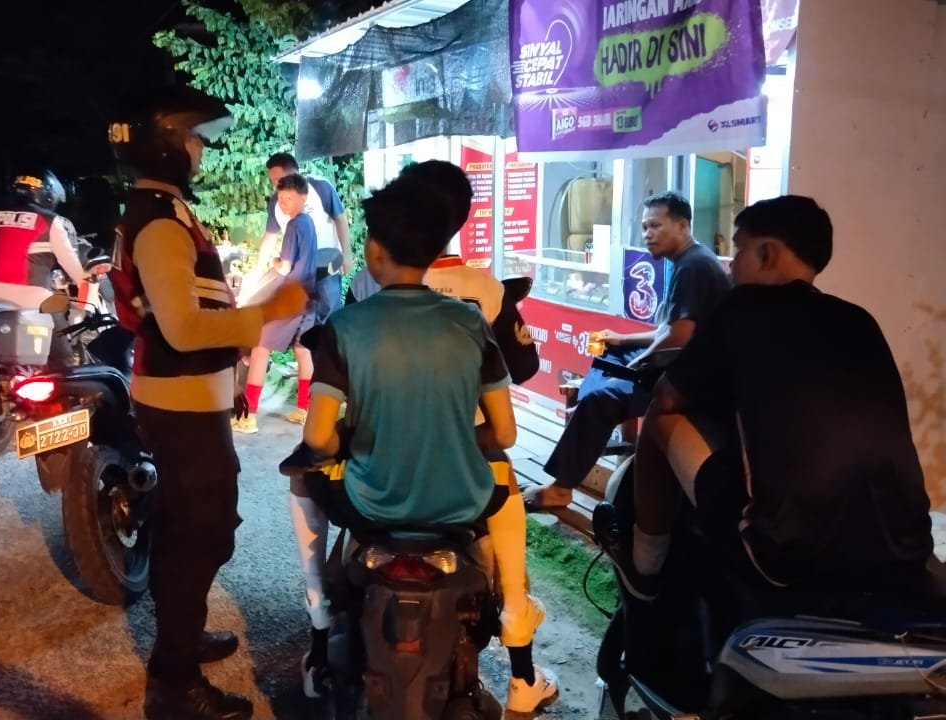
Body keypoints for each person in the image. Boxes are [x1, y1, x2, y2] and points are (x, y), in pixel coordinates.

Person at [297, 165, 559, 714]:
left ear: (374, 251)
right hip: (461, 500)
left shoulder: (347, 322)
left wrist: (351, 439)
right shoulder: (472, 320)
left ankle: (318, 616)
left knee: (300, 477)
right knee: (505, 484)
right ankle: (517, 629)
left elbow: (318, 435)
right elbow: (505, 432)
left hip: (371, 502)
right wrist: (453, 437)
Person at [593, 195, 935, 603]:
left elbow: (669, 397)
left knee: (660, 418)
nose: (731, 265)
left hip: (786, 555)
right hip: (904, 546)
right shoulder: (859, 319)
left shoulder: (743, 307)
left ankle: (645, 564)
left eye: (739, 250)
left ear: (768, 254)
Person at [106, 84, 309, 720]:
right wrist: (265, 314)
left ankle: (183, 635)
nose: (199, 149)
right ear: (166, 144)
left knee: (185, 526)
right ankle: (174, 682)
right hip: (181, 402)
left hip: (185, 398)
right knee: (202, 533)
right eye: (193, 137)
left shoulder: (159, 211)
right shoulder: (160, 223)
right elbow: (184, 328)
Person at [523, 192, 731, 511]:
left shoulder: (694, 267)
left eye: (656, 226)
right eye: (645, 227)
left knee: (600, 399)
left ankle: (561, 488)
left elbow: (679, 336)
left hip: (684, 381)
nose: (647, 234)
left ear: (682, 226)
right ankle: (581, 410)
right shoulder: (691, 261)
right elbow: (666, 331)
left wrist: (640, 361)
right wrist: (622, 340)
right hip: (674, 365)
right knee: (610, 353)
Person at [0, 169, 90, 370]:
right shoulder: (51, 221)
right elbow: (72, 267)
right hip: (34, 299)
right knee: (62, 353)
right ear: (47, 195)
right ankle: (60, 372)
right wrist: (86, 288)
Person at [235, 173, 318, 432]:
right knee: (303, 350)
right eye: (280, 199)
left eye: (288, 199)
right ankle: (304, 409)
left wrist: (272, 263)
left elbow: (285, 267)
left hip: (288, 296)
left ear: (303, 198)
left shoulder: (293, 226)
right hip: (308, 295)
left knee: (260, 349)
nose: (283, 204)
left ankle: (248, 416)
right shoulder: (309, 223)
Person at [264, 152, 352, 324]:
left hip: (327, 268)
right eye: (272, 181)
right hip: (300, 277)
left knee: (332, 319)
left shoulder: (320, 187)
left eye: (278, 179)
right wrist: (259, 270)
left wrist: (347, 255)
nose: (276, 185)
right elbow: (270, 236)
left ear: (294, 173)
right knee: (306, 326)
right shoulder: (276, 202)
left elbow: (340, 219)